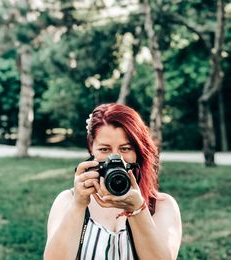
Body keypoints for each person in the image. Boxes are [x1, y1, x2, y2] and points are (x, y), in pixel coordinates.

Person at [44, 103, 182, 260]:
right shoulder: (68, 201)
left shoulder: (161, 206)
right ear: (91, 150)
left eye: (125, 149)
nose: (116, 158)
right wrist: (78, 205)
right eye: (104, 149)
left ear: (138, 152)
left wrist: (137, 210)